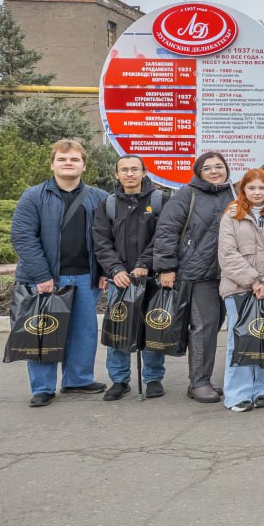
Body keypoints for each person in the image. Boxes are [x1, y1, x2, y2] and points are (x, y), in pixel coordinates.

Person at [10, 139, 110, 407]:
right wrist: (41, 275)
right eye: (62, 159)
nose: (68, 163)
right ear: (52, 164)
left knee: (83, 332)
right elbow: (23, 237)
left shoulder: (99, 197)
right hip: (46, 279)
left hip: (86, 277)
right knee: (43, 332)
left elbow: (106, 238)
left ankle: (78, 380)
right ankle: (42, 388)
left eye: (74, 159)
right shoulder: (33, 196)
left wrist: (104, 270)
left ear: (84, 166)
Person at [152, 152, 236, 403]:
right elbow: (167, 231)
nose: (214, 171)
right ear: (198, 172)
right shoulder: (186, 195)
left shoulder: (234, 194)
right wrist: (166, 267)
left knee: (218, 325)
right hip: (198, 273)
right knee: (203, 327)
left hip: (230, 274)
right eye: (207, 167)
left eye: (219, 166)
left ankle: (212, 378)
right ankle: (198, 382)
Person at [92, 155, 167, 400]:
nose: (130, 174)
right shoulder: (108, 204)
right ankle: (119, 380)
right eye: (124, 170)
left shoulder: (160, 200)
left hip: (151, 278)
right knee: (119, 330)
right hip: (120, 279)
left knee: (153, 329)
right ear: (117, 174)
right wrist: (115, 269)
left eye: (135, 169)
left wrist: (145, 263)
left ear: (144, 172)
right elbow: (101, 241)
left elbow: (164, 236)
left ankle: (153, 378)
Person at [218, 169, 264, 412]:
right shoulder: (231, 215)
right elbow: (227, 254)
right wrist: (254, 281)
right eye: (252, 188)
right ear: (243, 189)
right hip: (239, 289)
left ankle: (262, 390)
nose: (257, 192)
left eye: (262, 188)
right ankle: (238, 393)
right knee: (240, 341)